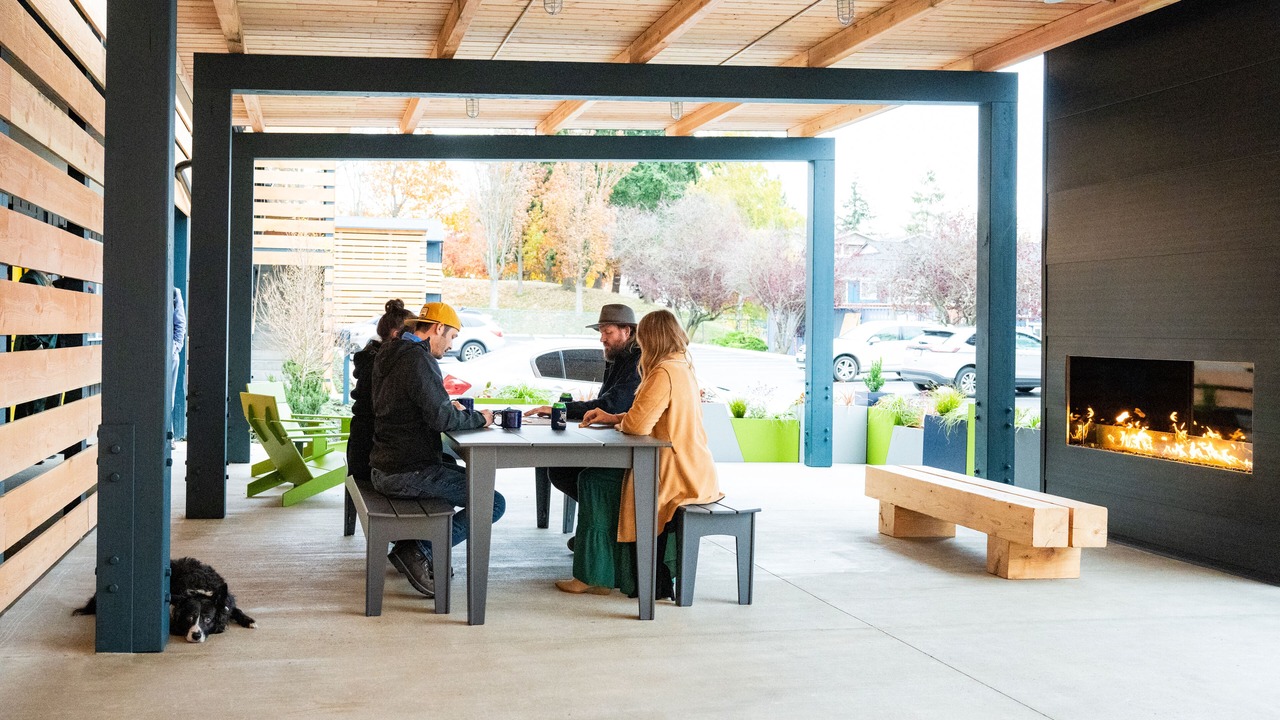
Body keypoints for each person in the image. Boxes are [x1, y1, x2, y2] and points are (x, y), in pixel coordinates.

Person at [559, 309, 723, 597]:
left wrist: (622, 420)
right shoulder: (681, 366)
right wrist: (613, 417)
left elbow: (637, 425)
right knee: (597, 478)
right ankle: (604, 569)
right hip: (694, 465)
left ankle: (593, 575)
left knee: (593, 480)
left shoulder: (662, 372)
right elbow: (652, 417)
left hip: (672, 470)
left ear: (650, 336)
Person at [369, 301, 505, 598]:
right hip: (406, 471)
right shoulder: (418, 360)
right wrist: (481, 418)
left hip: (385, 465)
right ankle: (418, 550)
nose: (451, 344)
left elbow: (420, 408)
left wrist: (447, 407)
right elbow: (441, 419)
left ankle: (419, 550)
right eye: (452, 336)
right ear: (438, 328)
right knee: (492, 502)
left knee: (463, 477)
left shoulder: (389, 353)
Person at [525, 303, 643, 520]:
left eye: (607, 332)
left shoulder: (637, 362)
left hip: (628, 448)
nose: (602, 339)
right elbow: (604, 403)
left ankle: (610, 524)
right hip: (612, 438)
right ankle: (603, 525)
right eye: (601, 332)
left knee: (561, 471)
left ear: (627, 331)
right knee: (559, 469)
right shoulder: (618, 357)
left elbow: (610, 406)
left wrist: (559, 410)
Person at [346, 298, 414, 483]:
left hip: (360, 450)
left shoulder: (372, 359)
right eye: (413, 334)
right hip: (370, 459)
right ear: (397, 334)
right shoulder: (383, 366)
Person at [170, 287, 186, 446]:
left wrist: (175, 346)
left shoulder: (174, 292)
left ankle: (169, 435)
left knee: (169, 396)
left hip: (170, 355)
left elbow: (180, 322)